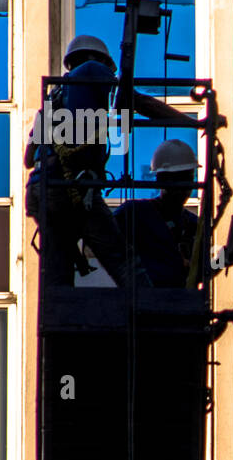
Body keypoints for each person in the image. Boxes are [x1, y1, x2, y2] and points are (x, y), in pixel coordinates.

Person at [24, 35, 194, 288]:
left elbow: (29, 158)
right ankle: (148, 307)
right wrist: (194, 123)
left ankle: (64, 316)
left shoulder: (53, 97)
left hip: (42, 190)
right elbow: (139, 102)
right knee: (121, 259)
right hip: (74, 189)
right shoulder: (93, 70)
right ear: (101, 60)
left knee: (58, 268)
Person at [113, 139, 233, 287]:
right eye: (179, 179)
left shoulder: (193, 225)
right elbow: (106, 239)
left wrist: (221, 260)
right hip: (145, 300)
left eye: (189, 179)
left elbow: (194, 275)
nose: (185, 187)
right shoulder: (135, 214)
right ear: (160, 179)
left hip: (179, 302)